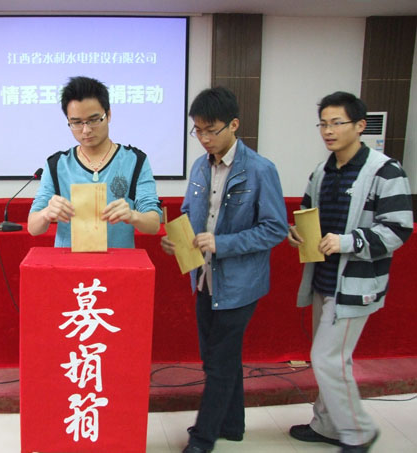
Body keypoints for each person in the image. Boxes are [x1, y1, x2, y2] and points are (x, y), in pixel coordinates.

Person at [161, 86, 288, 453]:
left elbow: (275, 229)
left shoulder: (260, 170)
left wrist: (223, 243)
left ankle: (203, 438)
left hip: (240, 284)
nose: (203, 138)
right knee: (219, 357)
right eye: (197, 130)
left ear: (233, 124)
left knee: (217, 362)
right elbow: (189, 213)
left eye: (210, 130)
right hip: (203, 278)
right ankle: (232, 424)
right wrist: (178, 239)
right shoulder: (200, 166)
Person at [287, 91, 414, 453]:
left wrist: (348, 242)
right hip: (323, 280)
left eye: (337, 123)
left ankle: (359, 431)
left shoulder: (385, 171)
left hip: (355, 286)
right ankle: (327, 424)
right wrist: (297, 233)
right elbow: (308, 212)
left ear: (360, 126)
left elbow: (399, 229)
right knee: (329, 360)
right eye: (323, 124)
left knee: (328, 359)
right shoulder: (322, 171)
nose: (328, 131)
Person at [28, 76, 161, 245]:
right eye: (76, 122)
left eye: (93, 120)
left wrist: (133, 215)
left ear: (108, 114)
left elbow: (154, 224)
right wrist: (46, 213)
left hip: (119, 260)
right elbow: (33, 228)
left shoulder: (135, 161)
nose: (86, 130)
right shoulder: (57, 164)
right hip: (69, 260)